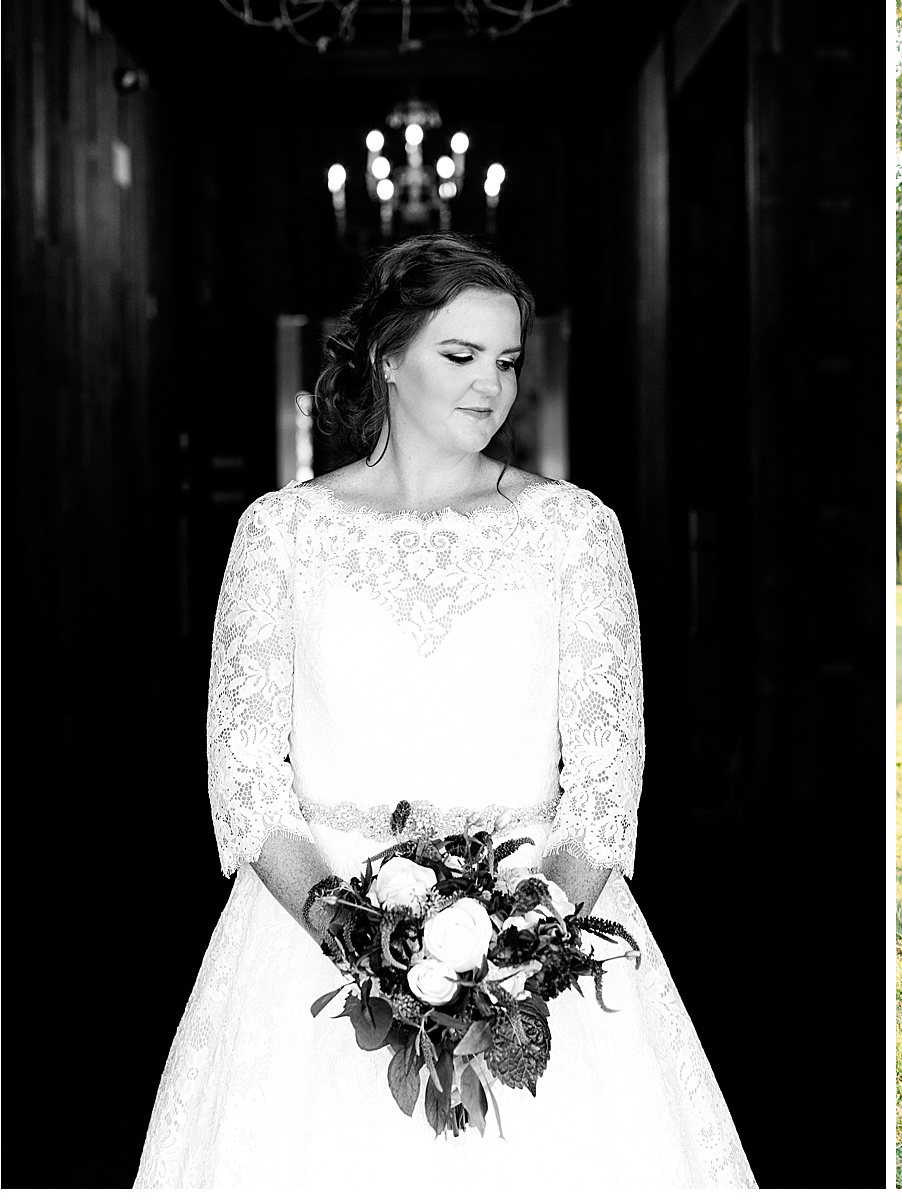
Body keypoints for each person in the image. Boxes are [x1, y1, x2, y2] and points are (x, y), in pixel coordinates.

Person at [137, 235, 755, 1187]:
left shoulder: (573, 530)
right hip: (314, 941)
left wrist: (515, 949)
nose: (490, 388)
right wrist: (365, 947)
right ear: (387, 357)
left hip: (534, 931)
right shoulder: (280, 534)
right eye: (459, 357)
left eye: (506, 362)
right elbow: (246, 779)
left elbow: (606, 775)